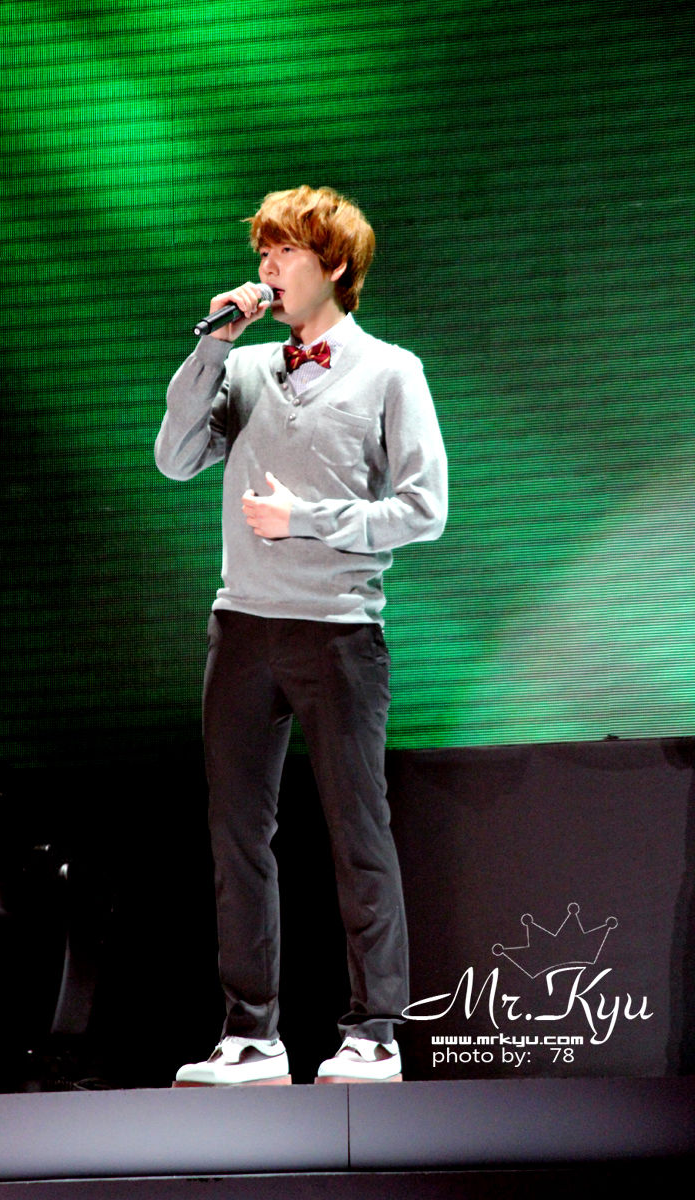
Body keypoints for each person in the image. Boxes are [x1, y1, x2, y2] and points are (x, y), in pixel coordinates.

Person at [155, 185, 447, 1086]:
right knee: (238, 835)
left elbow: (425, 509)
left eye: (285, 252)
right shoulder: (244, 369)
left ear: (335, 265)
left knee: (358, 830)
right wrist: (212, 345)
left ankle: (374, 1034)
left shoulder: (391, 371)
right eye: (264, 252)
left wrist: (309, 520)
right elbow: (174, 458)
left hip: (338, 634)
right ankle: (252, 1035)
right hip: (242, 627)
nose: (267, 267)